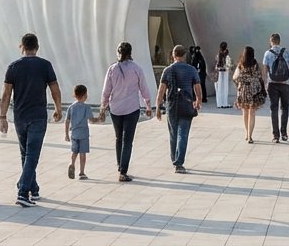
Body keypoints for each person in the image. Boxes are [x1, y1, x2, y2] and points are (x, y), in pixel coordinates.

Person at [0, 32, 63, 207]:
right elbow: (54, 89)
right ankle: (22, 192)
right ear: (37, 47)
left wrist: (3, 117)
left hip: (20, 116)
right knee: (32, 155)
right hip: (38, 116)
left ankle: (32, 188)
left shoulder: (13, 67)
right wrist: (58, 108)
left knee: (25, 154)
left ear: (22, 47)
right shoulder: (45, 65)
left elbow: (6, 94)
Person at [99, 41, 153, 182]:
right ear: (130, 53)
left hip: (115, 109)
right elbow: (144, 88)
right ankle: (123, 171)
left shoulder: (112, 69)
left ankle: (120, 166)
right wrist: (148, 106)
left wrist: (103, 107)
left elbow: (106, 91)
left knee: (118, 138)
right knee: (127, 140)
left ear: (118, 53)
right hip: (131, 108)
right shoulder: (136, 69)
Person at [155, 44, 203, 173]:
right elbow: (197, 86)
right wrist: (198, 100)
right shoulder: (191, 70)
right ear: (185, 55)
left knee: (173, 134)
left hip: (172, 106)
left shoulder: (168, 70)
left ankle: (174, 159)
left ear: (173, 55)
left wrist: (158, 106)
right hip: (187, 105)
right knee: (183, 134)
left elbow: (161, 89)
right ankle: (179, 163)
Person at [262, 33, 289, 142]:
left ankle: (275, 136)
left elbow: (264, 69)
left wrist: (263, 83)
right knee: (285, 108)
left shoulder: (267, 53)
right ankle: (284, 134)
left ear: (271, 41)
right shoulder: (286, 52)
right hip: (285, 84)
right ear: (279, 41)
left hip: (272, 84)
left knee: (274, 109)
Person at [233, 45, 267, 142]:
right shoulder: (255, 65)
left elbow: (235, 78)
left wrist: (240, 84)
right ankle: (249, 136)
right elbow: (259, 77)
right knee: (252, 113)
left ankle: (247, 133)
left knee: (245, 112)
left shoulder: (240, 64)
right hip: (254, 91)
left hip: (243, 90)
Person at [64, 85, 93, 180]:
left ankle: (72, 164)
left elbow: (67, 121)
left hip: (74, 134)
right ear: (85, 95)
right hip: (84, 134)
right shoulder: (86, 107)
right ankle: (81, 172)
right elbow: (91, 120)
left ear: (75, 95)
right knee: (82, 154)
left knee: (74, 152)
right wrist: (100, 118)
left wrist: (66, 134)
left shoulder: (71, 107)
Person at [213, 42, 234, 108]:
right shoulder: (227, 56)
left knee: (218, 88)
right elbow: (229, 65)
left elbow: (216, 65)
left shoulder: (218, 55)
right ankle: (224, 103)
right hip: (225, 73)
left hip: (219, 73)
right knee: (224, 88)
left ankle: (219, 103)